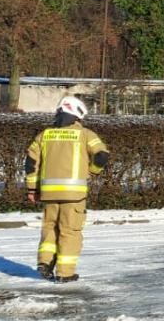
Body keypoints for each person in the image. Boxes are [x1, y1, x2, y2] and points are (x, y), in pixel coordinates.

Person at [26, 96, 110, 283]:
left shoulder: (44, 135)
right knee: (69, 232)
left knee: (50, 228)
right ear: (77, 115)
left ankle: (44, 263)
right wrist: (91, 171)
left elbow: (31, 164)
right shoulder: (85, 135)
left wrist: (32, 189)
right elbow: (102, 155)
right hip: (74, 195)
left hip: (48, 194)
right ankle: (65, 273)